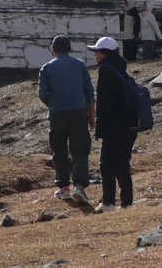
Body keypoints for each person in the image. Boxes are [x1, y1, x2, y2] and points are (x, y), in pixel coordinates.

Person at [36, 34, 95, 205]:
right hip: (79, 112)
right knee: (80, 150)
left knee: (59, 150)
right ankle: (79, 186)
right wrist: (91, 116)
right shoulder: (80, 65)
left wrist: (52, 103)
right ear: (69, 49)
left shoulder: (46, 68)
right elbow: (89, 93)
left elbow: (41, 93)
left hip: (57, 114)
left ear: (53, 50)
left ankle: (63, 187)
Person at [91, 35, 138, 212]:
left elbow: (104, 104)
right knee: (122, 164)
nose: (95, 55)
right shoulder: (121, 70)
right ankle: (127, 203)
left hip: (113, 126)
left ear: (105, 53)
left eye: (97, 52)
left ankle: (108, 203)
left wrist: (100, 129)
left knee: (106, 165)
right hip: (129, 125)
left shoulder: (105, 70)